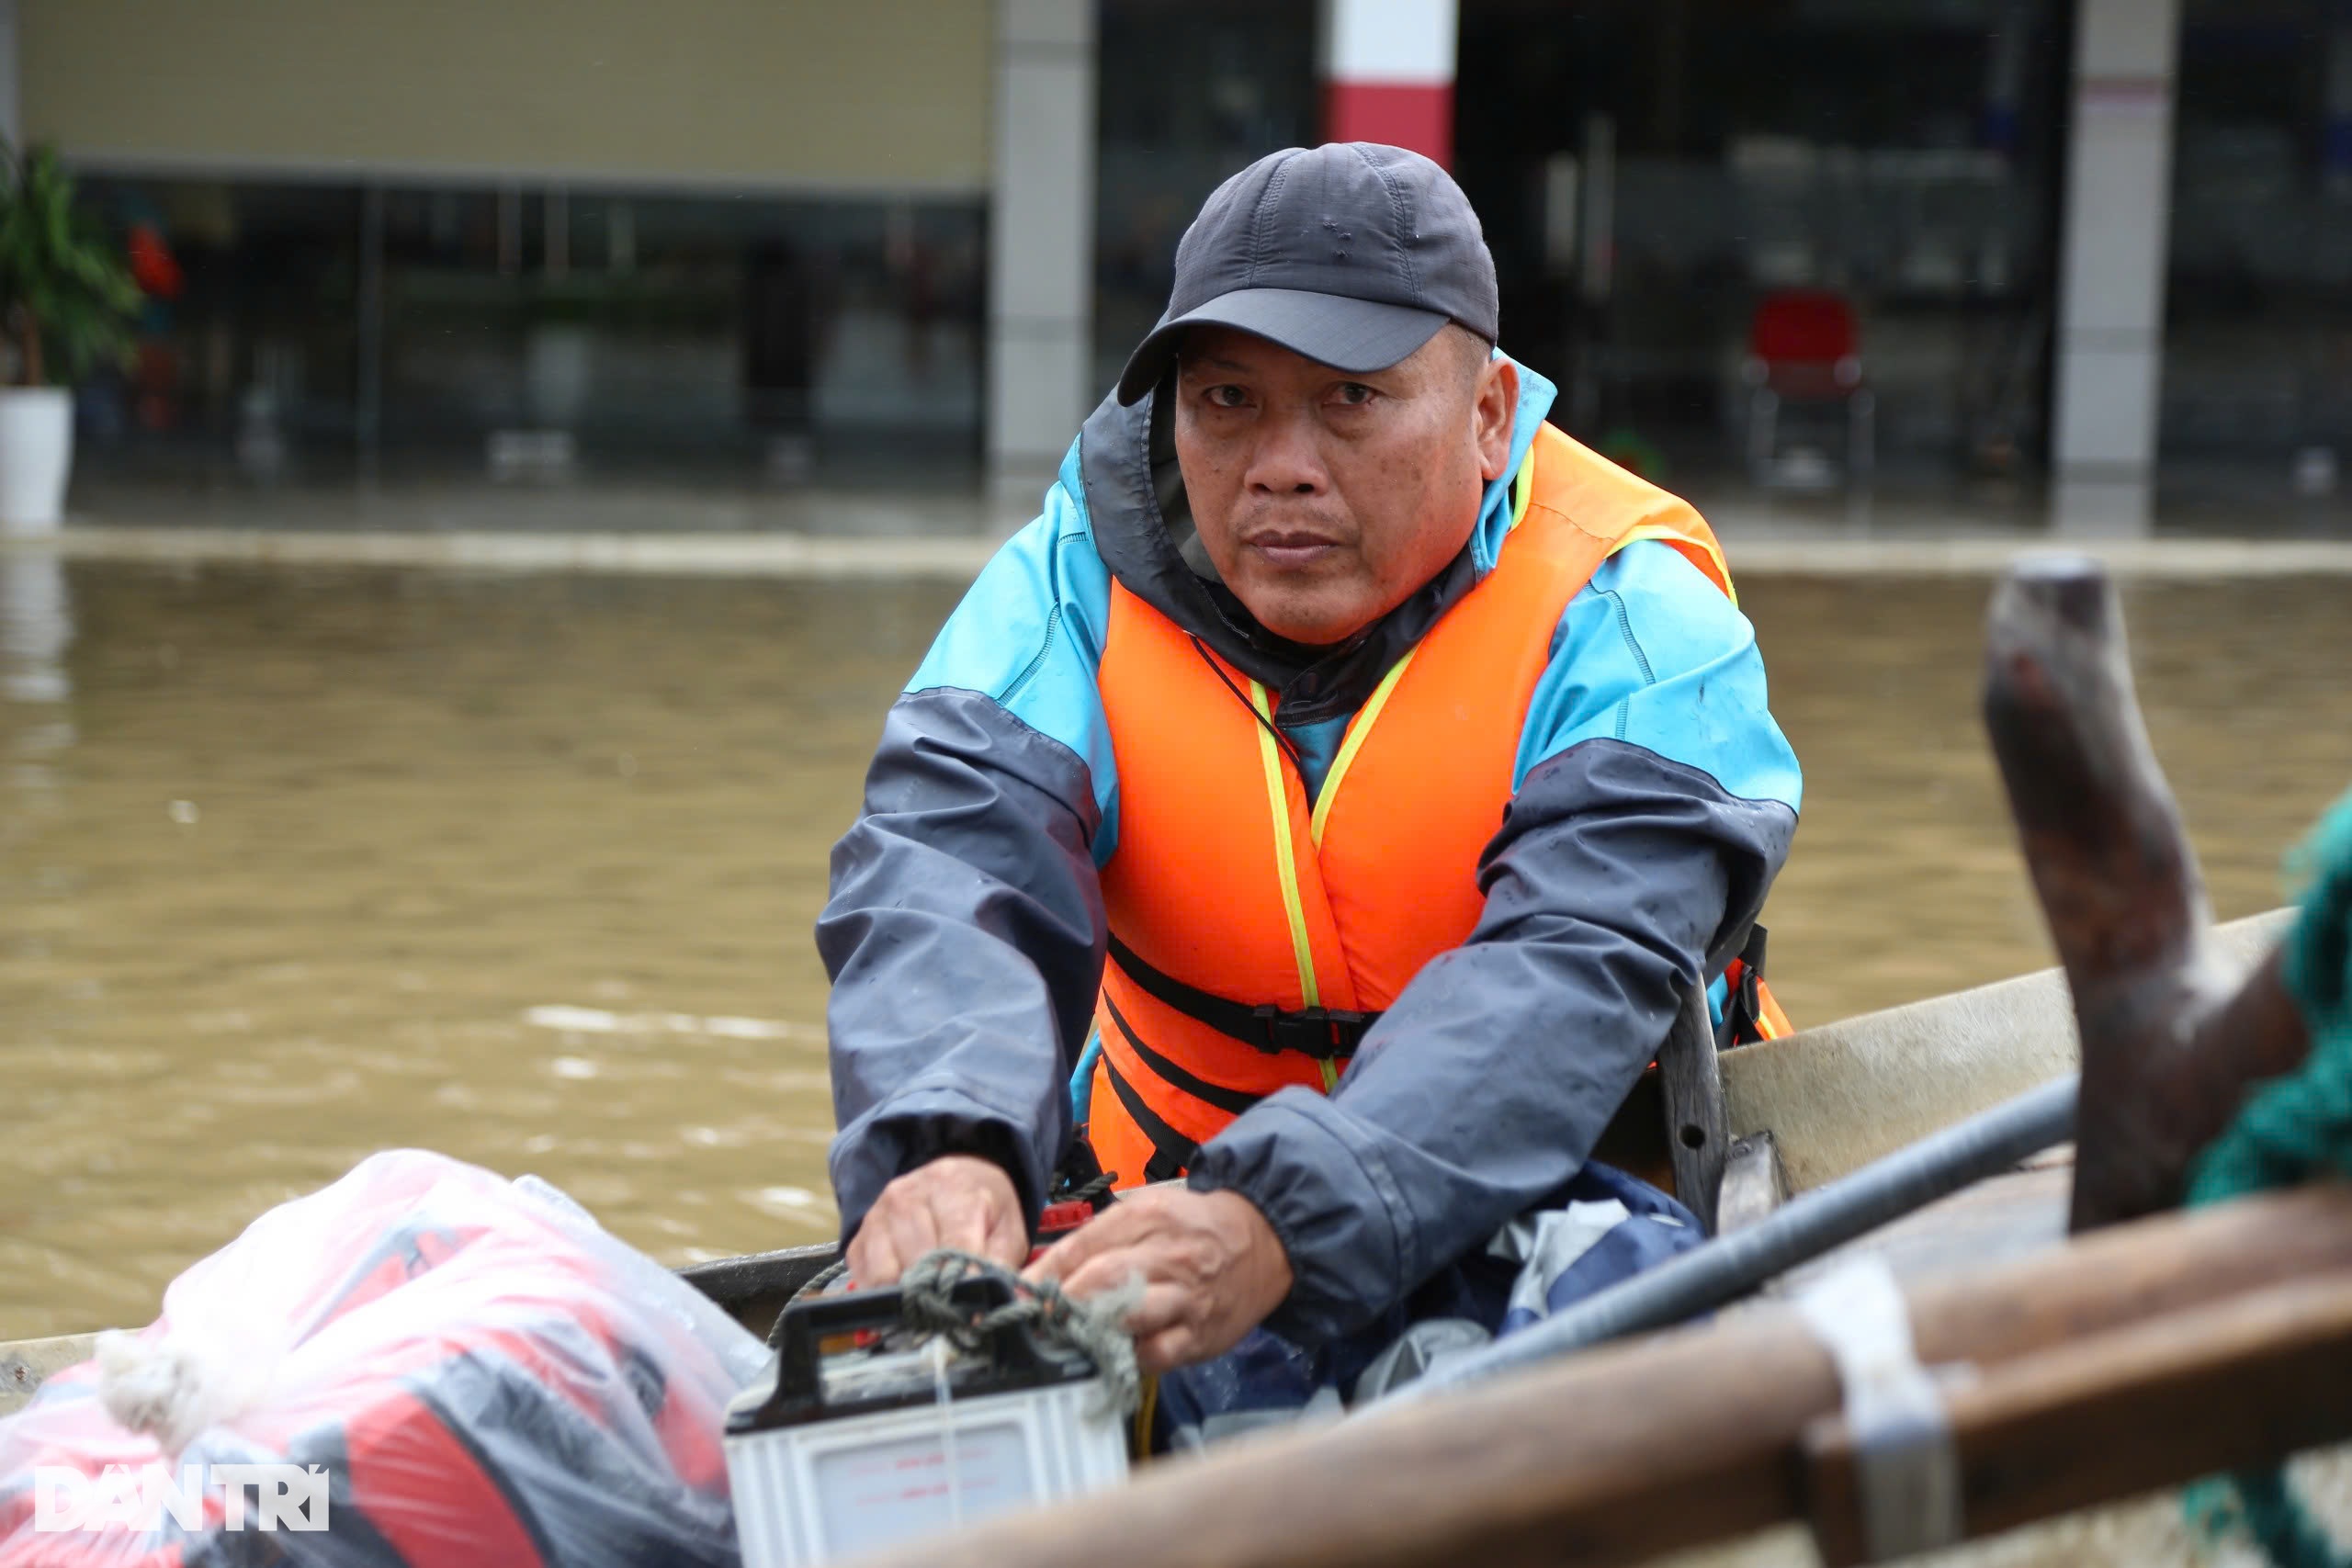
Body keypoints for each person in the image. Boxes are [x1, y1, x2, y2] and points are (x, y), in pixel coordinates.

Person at [817, 143, 1801, 1413]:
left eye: (1350, 399)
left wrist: (1279, 1219)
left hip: (1582, 1187)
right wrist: (944, 1142)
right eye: (1227, 403)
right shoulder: (1070, 576)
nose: (1280, 465)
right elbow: (946, 854)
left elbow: (1574, 964)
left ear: (1492, 415)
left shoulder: (1636, 615)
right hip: (1159, 1194)